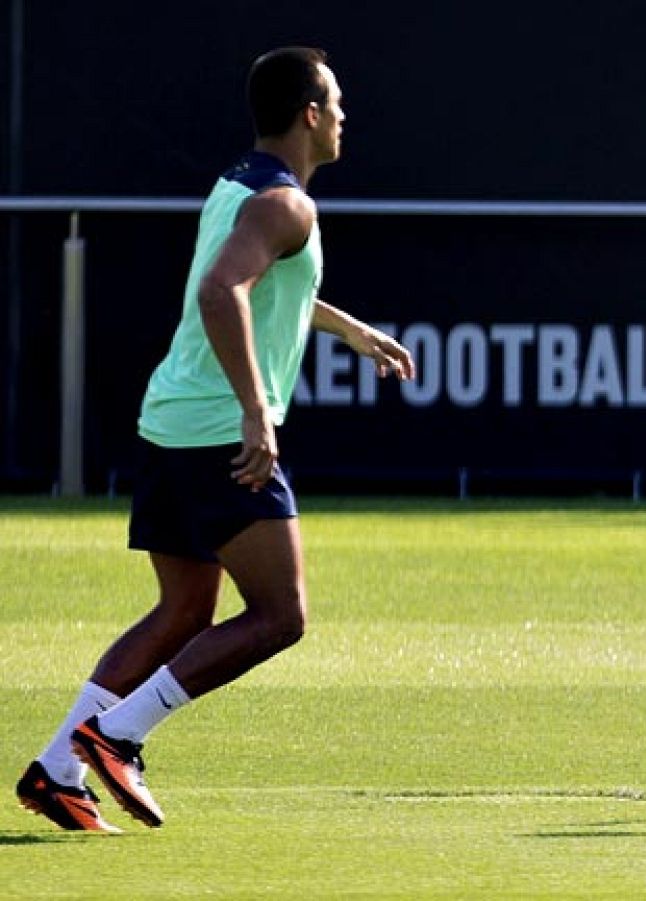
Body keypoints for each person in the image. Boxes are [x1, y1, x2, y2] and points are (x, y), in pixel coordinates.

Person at [15, 47, 414, 831]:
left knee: (185, 608)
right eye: (334, 102)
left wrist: (348, 329)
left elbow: (266, 280)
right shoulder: (288, 206)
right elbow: (218, 288)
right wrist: (255, 408)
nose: (343, 115)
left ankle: (59, 767)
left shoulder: (245, 183)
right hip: (213, 433)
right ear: (308, 114)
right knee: (281, 614)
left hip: (170, 422)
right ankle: (117, 734)